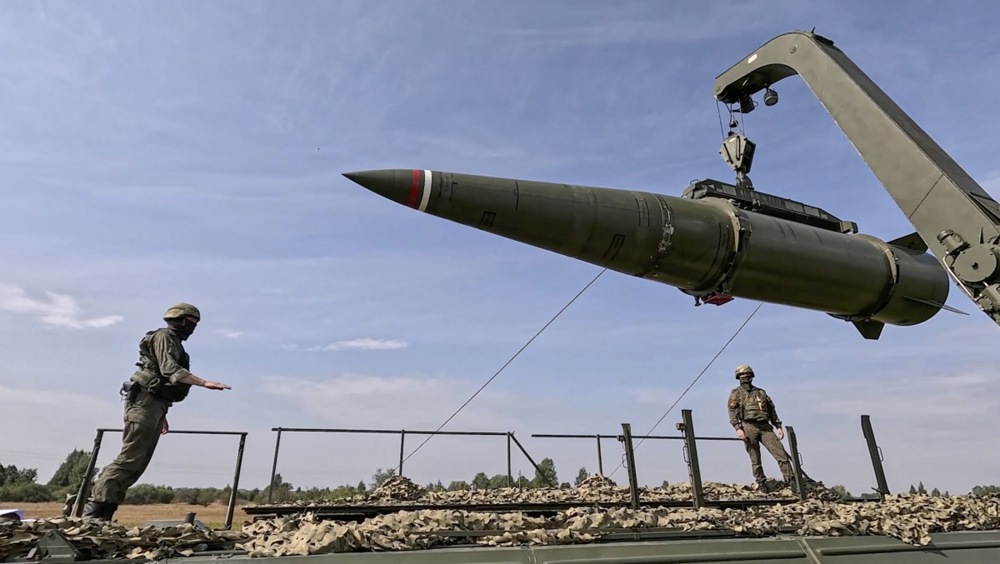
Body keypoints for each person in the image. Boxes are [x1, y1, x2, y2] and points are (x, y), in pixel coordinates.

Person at [81, 303, 231, 520]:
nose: (193, 327)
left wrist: (162, 414)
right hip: (144, 403)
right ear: (179, 320)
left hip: (154, 405)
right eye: (191, 322)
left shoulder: (175, 343)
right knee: (129, 458)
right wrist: (204, 382)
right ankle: (93, 514)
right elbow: (170, 370)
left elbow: (162, 383)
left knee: (139, 461)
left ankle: (104, 514)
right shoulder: (163, 337)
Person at [726, 364, 795, 493]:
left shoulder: (761, 392)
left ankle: (791, 481)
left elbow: (771, 410)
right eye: (742, 375)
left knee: (781, 455)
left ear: (751, 376)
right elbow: (732, 412)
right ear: (738, 377)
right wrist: (738, 428)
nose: (745, 376)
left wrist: (778, 426)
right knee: (755, 458)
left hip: (765, 427)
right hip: (748, 426)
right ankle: (761, 483)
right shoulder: (736, 393)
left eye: (747, 374)